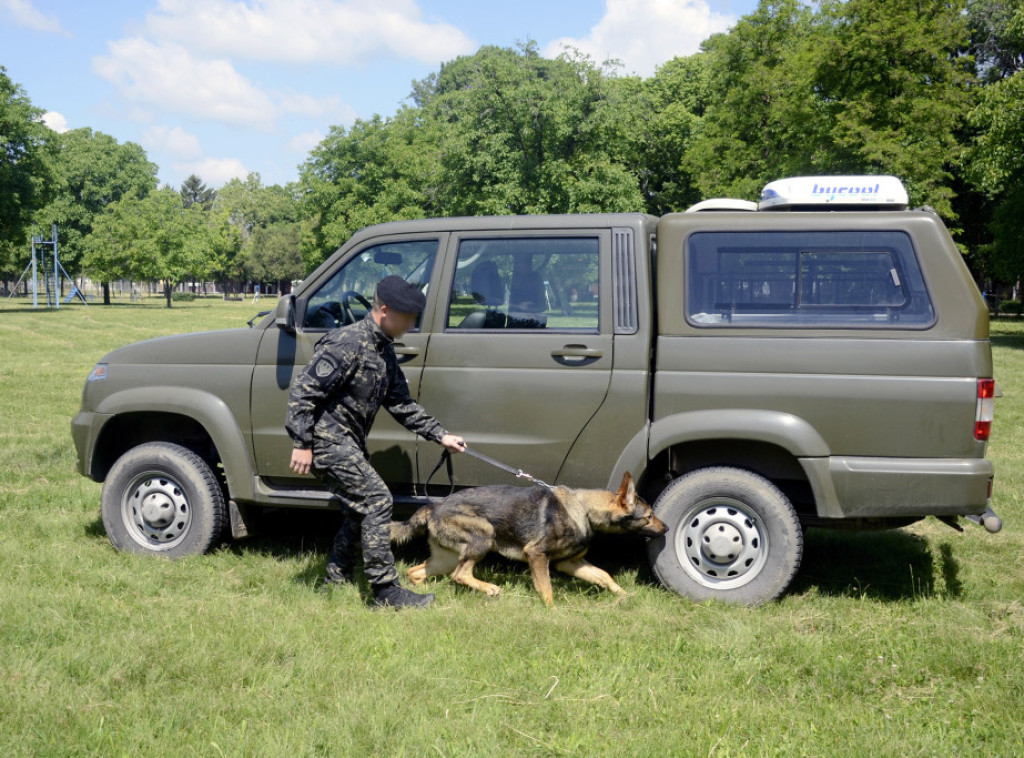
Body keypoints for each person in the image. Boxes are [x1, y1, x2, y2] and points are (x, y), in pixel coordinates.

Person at [285, 275, 466, 609]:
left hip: (348, 442)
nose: (411, 327)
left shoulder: (384, 350)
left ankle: (335, 579)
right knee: (378, 500)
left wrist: (440, 434)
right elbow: (303, 392)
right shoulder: (346, 343)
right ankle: (386, 592)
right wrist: (302, 443)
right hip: (327, 441)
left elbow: (401, 403)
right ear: (385, 311)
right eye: (408, 319)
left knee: (359, 511)